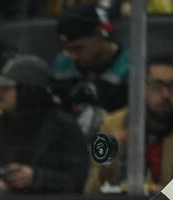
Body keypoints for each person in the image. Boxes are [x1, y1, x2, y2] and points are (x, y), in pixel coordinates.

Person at [84, 55, 173, 194]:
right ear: (142, 88)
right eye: (157, 86)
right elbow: (91, 193)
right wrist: (108, 160)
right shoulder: (114, 125)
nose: (166, 94)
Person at [0, 54, 89, 196]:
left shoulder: (64, 128)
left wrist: (36, 178)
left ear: (27, 91)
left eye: (6, 88)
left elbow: (77, 181)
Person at [50, 3, 130, 136]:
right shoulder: (63, 63)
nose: (72, 56)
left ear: (99, 34)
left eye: (78, 48)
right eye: (67, 49)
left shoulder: (129, 66)